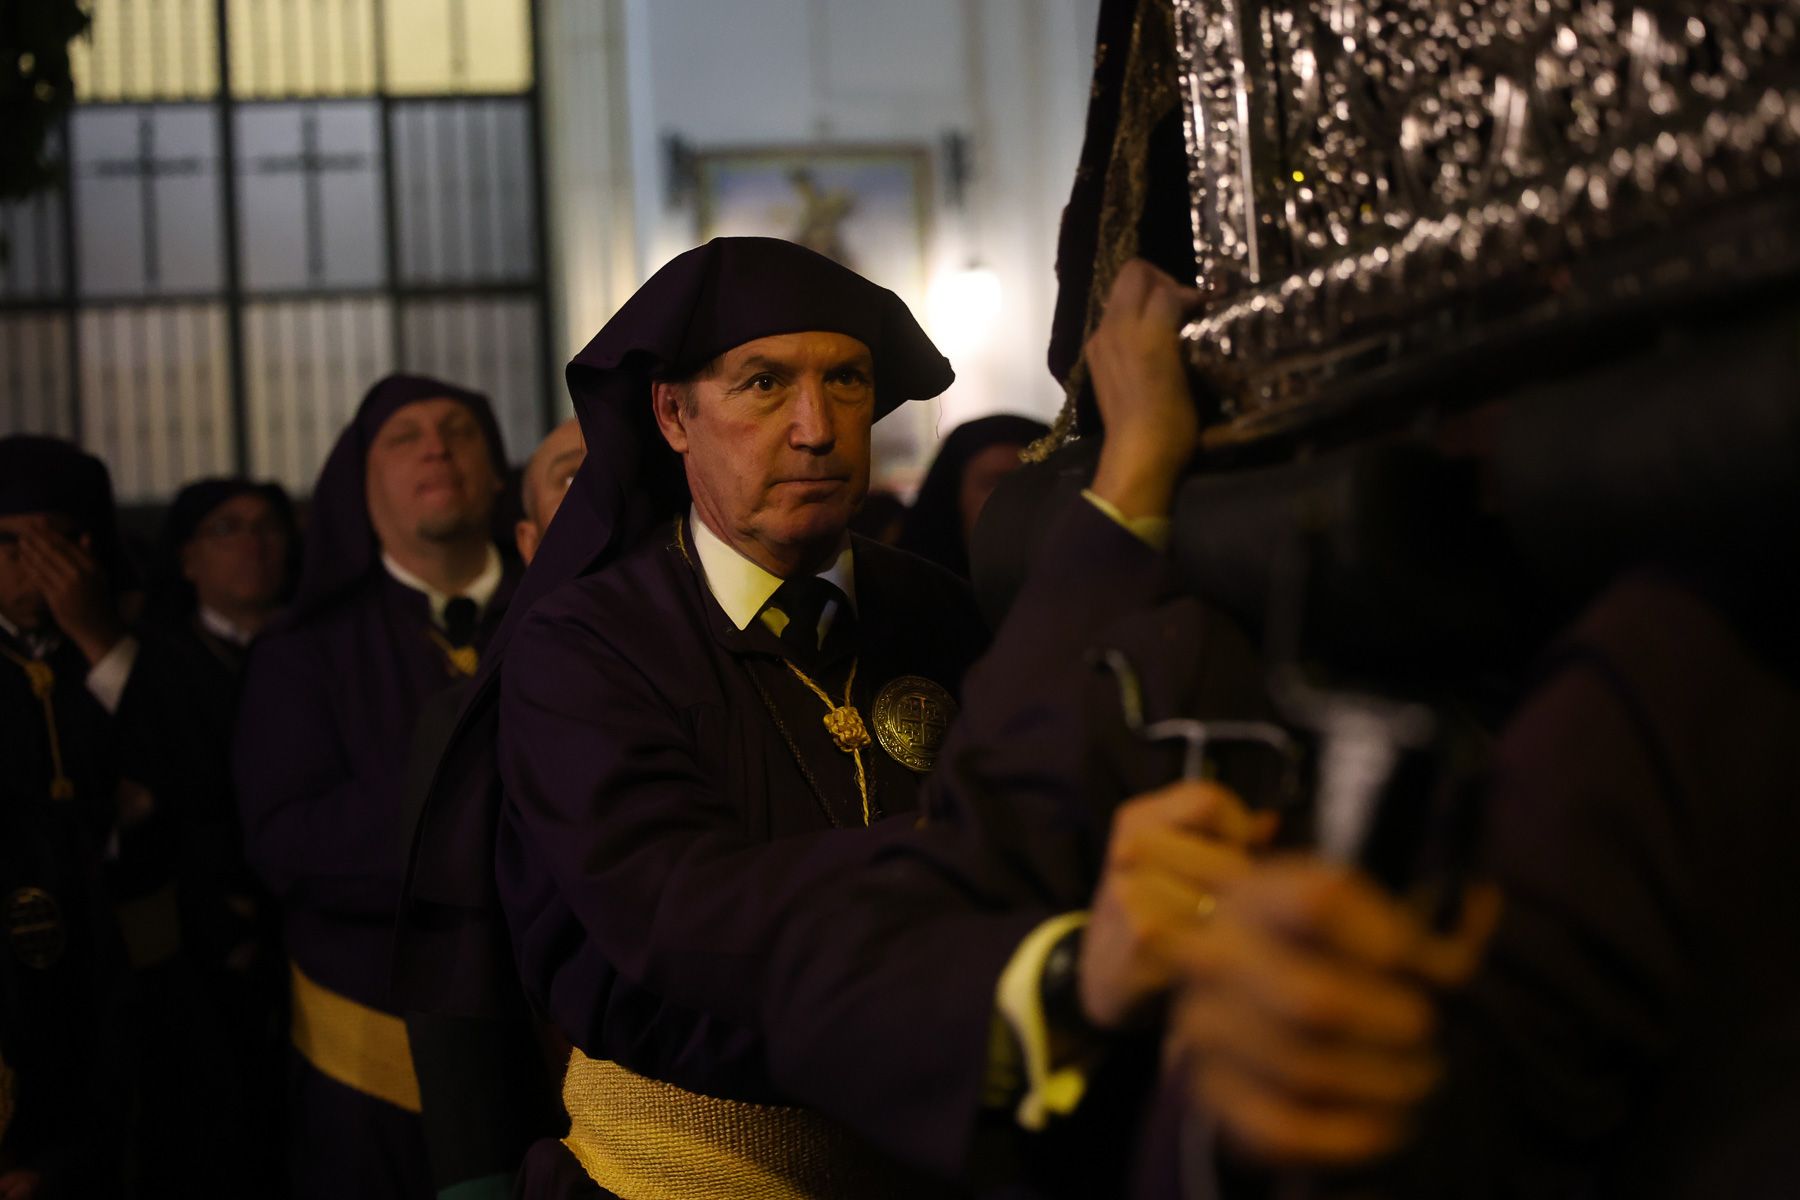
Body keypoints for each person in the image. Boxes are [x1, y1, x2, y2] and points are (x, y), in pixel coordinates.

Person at [234, 374, 517, 1199]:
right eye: (404, 437)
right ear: (359, 484)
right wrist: (490, 822)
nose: (436, 448)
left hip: (579, 1055)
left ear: (496, 471)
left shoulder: (577, 619)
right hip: (375, 1066)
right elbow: (288, 843)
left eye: (458, 430)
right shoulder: (301, 653)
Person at [402, 416, 587, 1200]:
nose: (608, 487)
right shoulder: (471, 716)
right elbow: (460, 982)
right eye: (574, 475)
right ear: (529, 539)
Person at [0, 436, 141, 1200]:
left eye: (55, 542)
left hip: (139, 971)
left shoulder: (139, 647)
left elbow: (184, 772)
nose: (33, 564)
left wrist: (94, 634)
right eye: (9, 542)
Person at [895, 414, 1049, 579]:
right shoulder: (902, 586)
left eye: (1037, 484)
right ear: (952, 497)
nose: (1019, 501)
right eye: (997, 484)